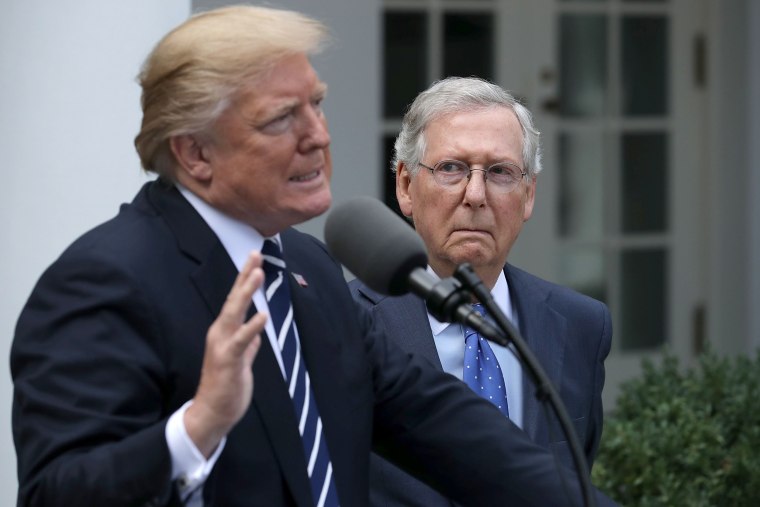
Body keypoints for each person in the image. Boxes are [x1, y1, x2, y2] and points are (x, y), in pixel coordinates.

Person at [11, 6, 616, 507]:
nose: (318, 135)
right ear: (196, 153)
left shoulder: (308, 269)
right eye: (282, 118)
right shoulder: (104, 280)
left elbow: (445, 426)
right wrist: (194, 430)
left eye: (317, 105)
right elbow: (57, 494)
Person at [350, 76, 613, 507]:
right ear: (405, 186)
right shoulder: (346, 322)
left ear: (529, 195)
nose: (476, 194)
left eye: (500, 172)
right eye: (451, 168)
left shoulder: (581, 326)